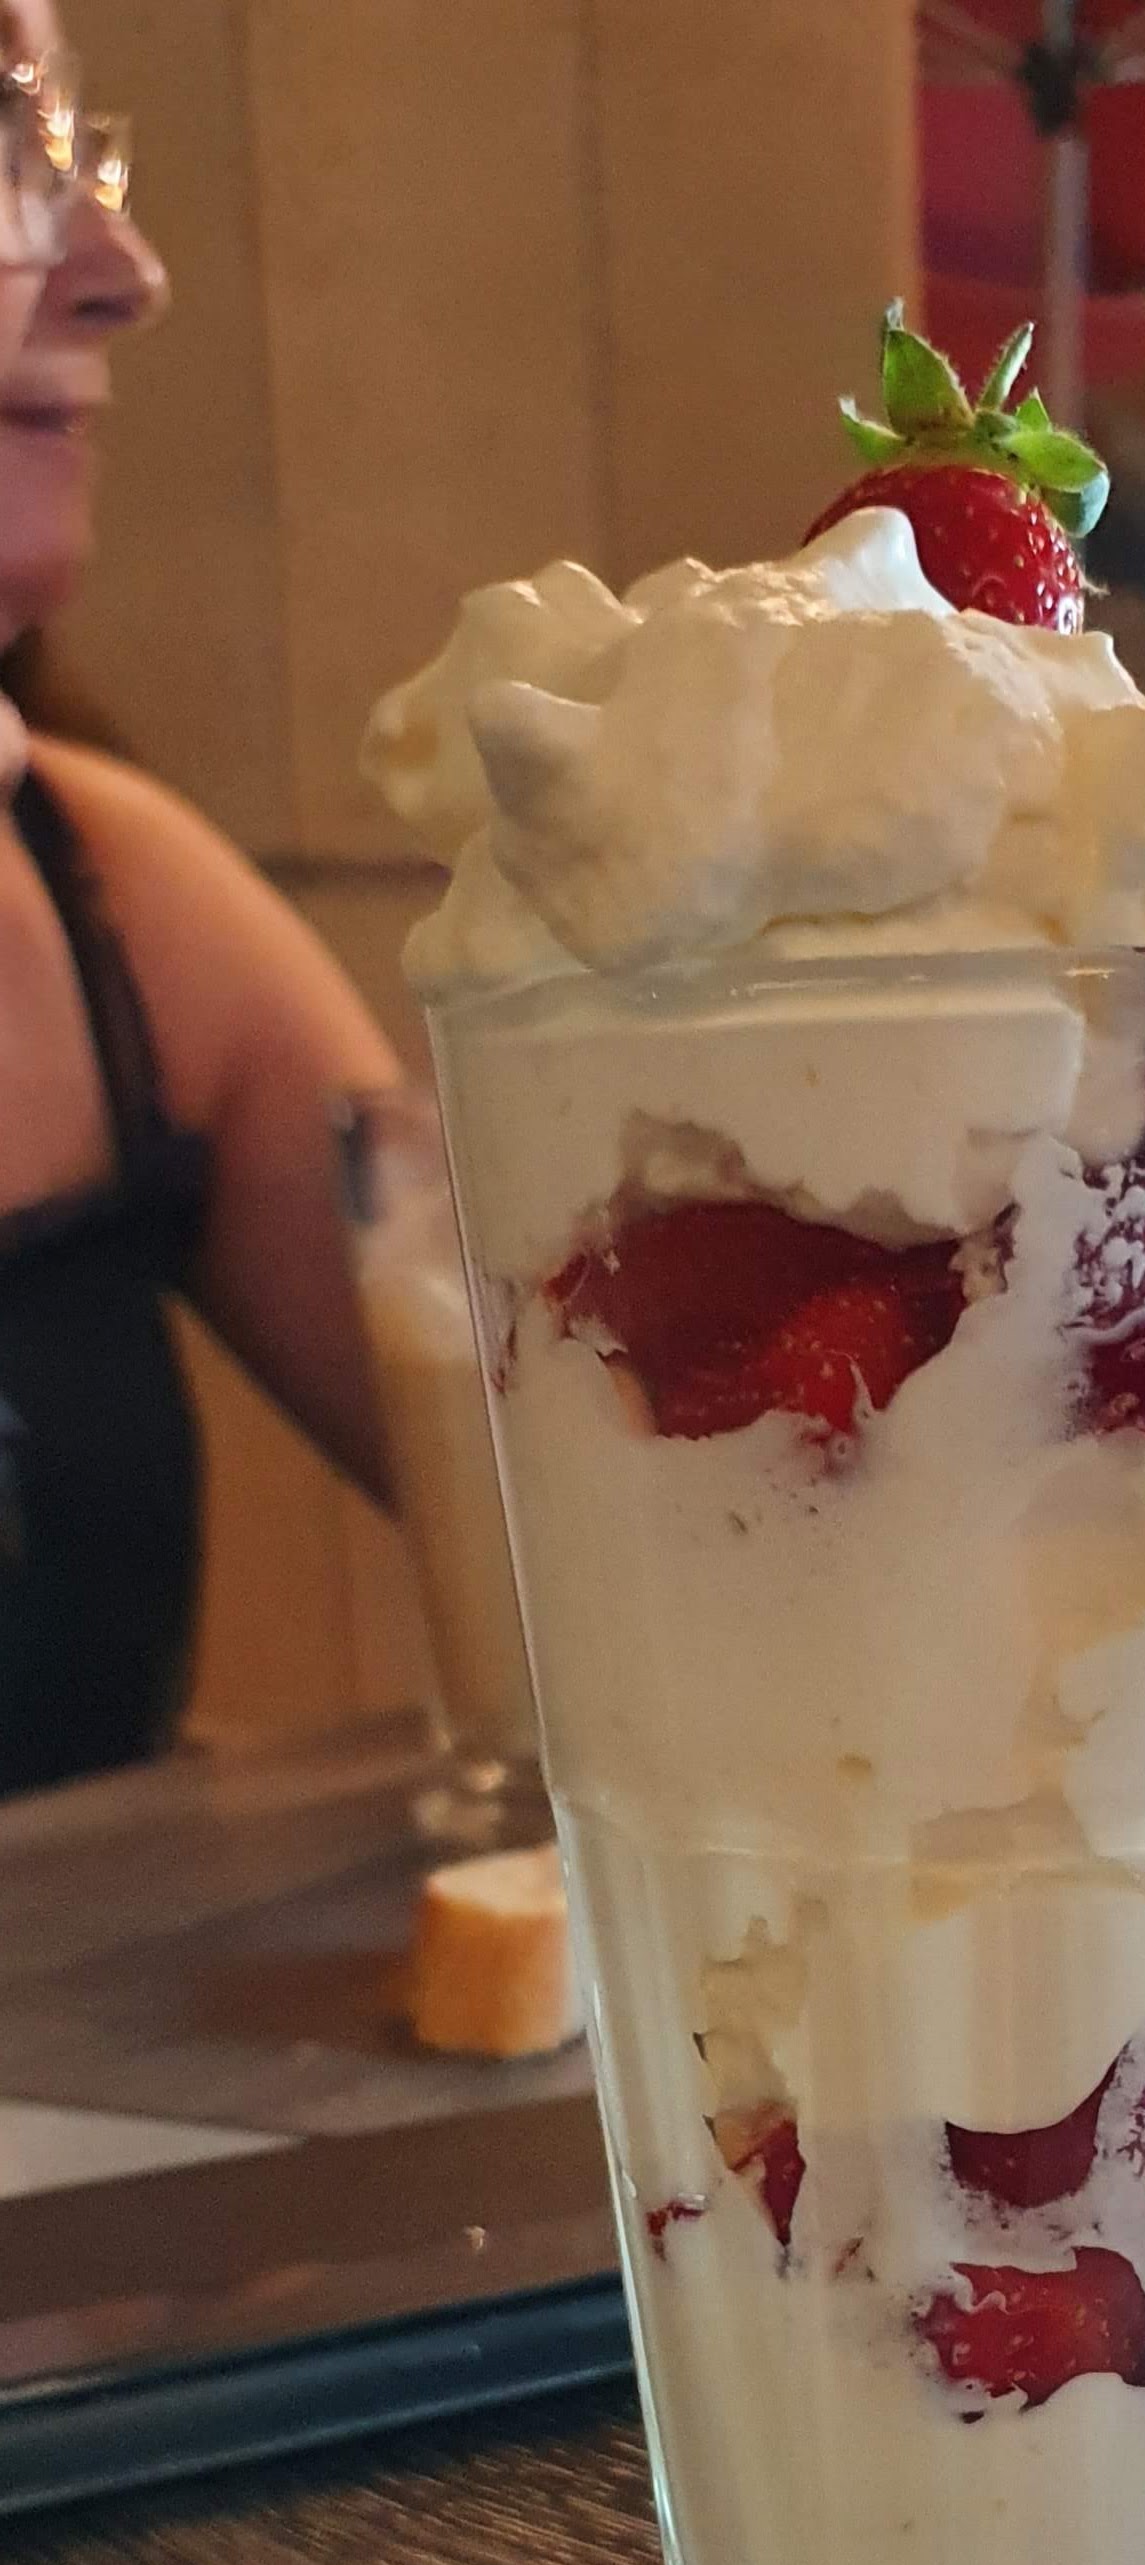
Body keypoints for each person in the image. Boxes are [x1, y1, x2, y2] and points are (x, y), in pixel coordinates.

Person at [0, 2, 398, 1796]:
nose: (122, 273)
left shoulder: (119, 900)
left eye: (68, 146)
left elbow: (623, 1507)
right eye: (5, 148)